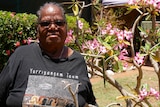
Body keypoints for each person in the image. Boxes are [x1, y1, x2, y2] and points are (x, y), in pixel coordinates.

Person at [0, 2, 98, 107]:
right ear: (38, 29)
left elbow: (88, 101)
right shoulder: (21, 56)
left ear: (66, 28)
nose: (52, 27)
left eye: (59, 22)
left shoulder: (77, 61)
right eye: (45, 23)